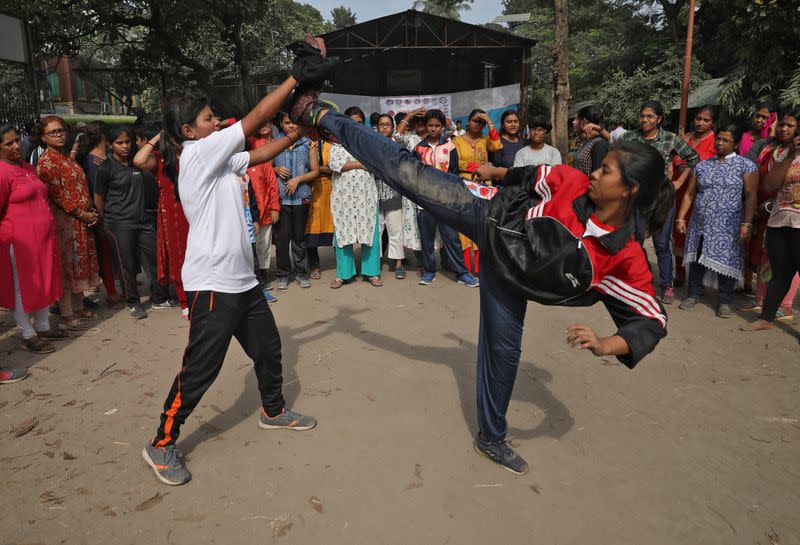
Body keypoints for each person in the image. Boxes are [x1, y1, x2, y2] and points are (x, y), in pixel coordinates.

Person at [293, 100, 670, 475]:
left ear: (629, 190)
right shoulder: (570, 182)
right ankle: (325, 115)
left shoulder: (626, 258)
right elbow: (527, 176)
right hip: (486, 216)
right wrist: (494, 171)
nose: (594, 173)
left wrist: (606, 345)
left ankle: (491, 439)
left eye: (605, 171)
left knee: (502, 356)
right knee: (404, 170)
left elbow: (651, 322)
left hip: (511, 280)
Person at [143, 36, 335, 485]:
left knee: (269, 348)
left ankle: (273, 410)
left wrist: (292, 134)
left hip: (243, 281)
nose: (218, 123)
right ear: (189, 131)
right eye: (209, 119)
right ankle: (162, 443)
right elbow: (255, 117)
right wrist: (295, 76)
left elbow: (260, 152)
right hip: (212, 285)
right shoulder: (197, 154)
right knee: (200, 370)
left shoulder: (220, 158)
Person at [619, 99, 700, 304]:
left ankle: (667, 285)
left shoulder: (670, 139)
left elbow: (693, 158)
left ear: (659, 119)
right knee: (635, 240)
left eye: (650, 116)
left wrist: (679, 182)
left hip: (662, 197)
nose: (645, 120)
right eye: (642, 115)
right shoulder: (629, 137)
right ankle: (637, 281)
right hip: (636, 198)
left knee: (662, 244)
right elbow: (616, 159)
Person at [0, 124, 68, 355]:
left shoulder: (28, 168)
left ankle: (43, 326)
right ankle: (28, 333)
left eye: (17, 140)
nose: (17, 145)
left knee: (44, 280)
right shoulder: (1, 173)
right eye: (9, 143)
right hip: (19, 241)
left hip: (42, 238)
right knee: (22, 287)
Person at [675, 126, 758, 317]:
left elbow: (751, 195)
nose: (719, 143)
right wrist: (681, 217)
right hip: (701, 222)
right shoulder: (702, 165)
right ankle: (693, 294)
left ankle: (725, 301)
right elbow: (689, 194)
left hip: (728, 225)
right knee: (696, 258)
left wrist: (747, 223)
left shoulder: (745, 166)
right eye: (718, 139)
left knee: (726, 260)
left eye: (725, 140)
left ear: (736, 143)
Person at [94, 125, 171, 319]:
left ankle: (159, 296)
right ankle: (133, 302)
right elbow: (98, 197)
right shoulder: (106, 168)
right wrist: (108, 220)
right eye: (119, 143)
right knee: (126, 265)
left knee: (155, 259)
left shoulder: (137, 162)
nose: (125, 146)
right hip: (119, 223)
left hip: (143, 221)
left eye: (127, 141)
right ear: (110, 144)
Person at [36, 116, 102, 331]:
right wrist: (82, 214)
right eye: (53, 132)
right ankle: (66, 314)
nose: (59, 134)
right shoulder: (47, 162)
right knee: (67, 266)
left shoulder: (65, 157)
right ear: (43, 137)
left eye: (61, 130)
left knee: (78, 265)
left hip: (79, 221)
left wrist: (88, 211)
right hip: (64, 223)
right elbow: (58, 195)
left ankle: (79, 306)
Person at [743, 110, 800, 332]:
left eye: (790, 126)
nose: (784, 129)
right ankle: (766, 319)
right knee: (779, 274)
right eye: (782, 125)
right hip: (778, 222)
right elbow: (770, 185)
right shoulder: (780, 153)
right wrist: (791, 153)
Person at [413, 109, 478, 287]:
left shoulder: (450, 147)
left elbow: (455, 174)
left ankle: (462, 273)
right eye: (430, 125)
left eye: (437, 125)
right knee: (426, 239)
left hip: (446, 201)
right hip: (424, 201)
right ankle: (429, 271)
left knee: (452, 238)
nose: (433, 129)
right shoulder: (419, 148)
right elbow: (414, 175)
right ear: (425, 126)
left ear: (442, 127)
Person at [133, 128, 192, 316]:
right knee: (179, 256)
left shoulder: (193, 151)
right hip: (173, 213)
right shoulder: (160, 158)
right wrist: (157, 136)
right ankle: (185, 301)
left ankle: (201, 296)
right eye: (172, 137)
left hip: (196, 208)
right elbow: (138, 161)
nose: (176, 140)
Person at [329, 106, 383, 288]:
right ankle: (343, 274)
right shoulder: (336, 143)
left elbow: (375, 164)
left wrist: (351, 164)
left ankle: (372, 272)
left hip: (366, 195)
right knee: (343, 233)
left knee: (370, 231)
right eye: (351, 122)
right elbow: (336, 164)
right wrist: (361, 163)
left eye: (359, 123)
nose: (355, 126)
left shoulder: (368, 142)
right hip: (343, 197)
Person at [76, 122, 122, 308]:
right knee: (107, 255)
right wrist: (101, 216)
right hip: (104, 214)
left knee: (117, 254)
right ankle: (111, 293)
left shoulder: (106, 156)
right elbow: (97, 193)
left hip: (118, 211)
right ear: (104, 137)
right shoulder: (92, 162)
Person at [272, 112, 319, 290]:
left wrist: (298, 179)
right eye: (287, 122)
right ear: (281, 125)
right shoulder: (275, 143)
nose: (291, 126)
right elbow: (267, 166)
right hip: (281, 199)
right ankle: (283, 274)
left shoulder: (309, 144)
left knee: (299, 237)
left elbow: (315, 171)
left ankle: (301, 272)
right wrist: (276, 168)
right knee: (282, 238)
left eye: (294, 123)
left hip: (302, 197)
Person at [453, 109, 504, 272]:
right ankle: (466, 265)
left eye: (481, 122)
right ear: (468, 121)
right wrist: (480, 167)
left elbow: (497, 146)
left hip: (484, 186)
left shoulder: (486, 140)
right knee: (465, 222)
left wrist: (490, 122)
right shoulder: (457, 141)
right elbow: (457, 163)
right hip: (465, 185)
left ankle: (480, 267)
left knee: (483, 223)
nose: (478, 124)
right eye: (475, 120)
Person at [671, 105, 717, 284]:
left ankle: (700, 281)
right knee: (679, 232)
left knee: (700, 236)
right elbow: (673, 159)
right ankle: (679, 273)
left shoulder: (715, 142)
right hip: (679, 192)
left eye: (706, 120)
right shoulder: (684, 138)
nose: (701, 123)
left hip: (701, 196)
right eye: (698, 118)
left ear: (713, 123)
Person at [247, 145, 280, 303]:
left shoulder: (263, 162)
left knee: (264, 247)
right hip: (247, 217)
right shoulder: (237, 166)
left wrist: (275, 207)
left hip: (265, 211)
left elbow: (273, 185)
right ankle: (254, 279)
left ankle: (264, 275)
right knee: (250, 249)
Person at [374, 114, 406, 279]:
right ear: (377, 127)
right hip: (375, 195)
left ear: (393, 127)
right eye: (381, 125)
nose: (384, 127)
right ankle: (375, 265)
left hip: (394, 194)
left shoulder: (397, 144)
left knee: (396, 231)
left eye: (387, 125)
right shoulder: (371, 144)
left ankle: (399, 264)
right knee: (377, 233)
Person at [306, 139, 335, 279]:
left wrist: (322, 169)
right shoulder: (307, 142)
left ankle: (343, 264)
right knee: (311, 228)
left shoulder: (333, 142)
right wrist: (317, 169)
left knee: (336, 227)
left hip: (332, 187)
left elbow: (337, 165)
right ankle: (314, 266)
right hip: (310, 188)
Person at [572, 105, 609, 177]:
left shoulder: (599, 144)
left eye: (577, 119)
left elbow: (597, 175)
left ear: (585, 121)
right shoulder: (585, 141)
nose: (573, 122)